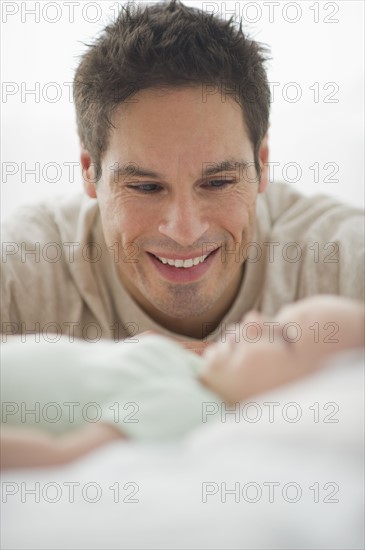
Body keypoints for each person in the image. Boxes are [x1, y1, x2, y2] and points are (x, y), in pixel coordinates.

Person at [1, 0, 363, 350]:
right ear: (89, 171)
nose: (186, 231)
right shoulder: (20, 276)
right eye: (145, 187)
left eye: (218, 182)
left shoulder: (340, 261)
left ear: (262, 162)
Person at [1, 295, 364, 469]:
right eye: (272, 317)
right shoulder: (197, 373)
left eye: (281, 336)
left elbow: (62, 456)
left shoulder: (190, 408)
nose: (253, 319)